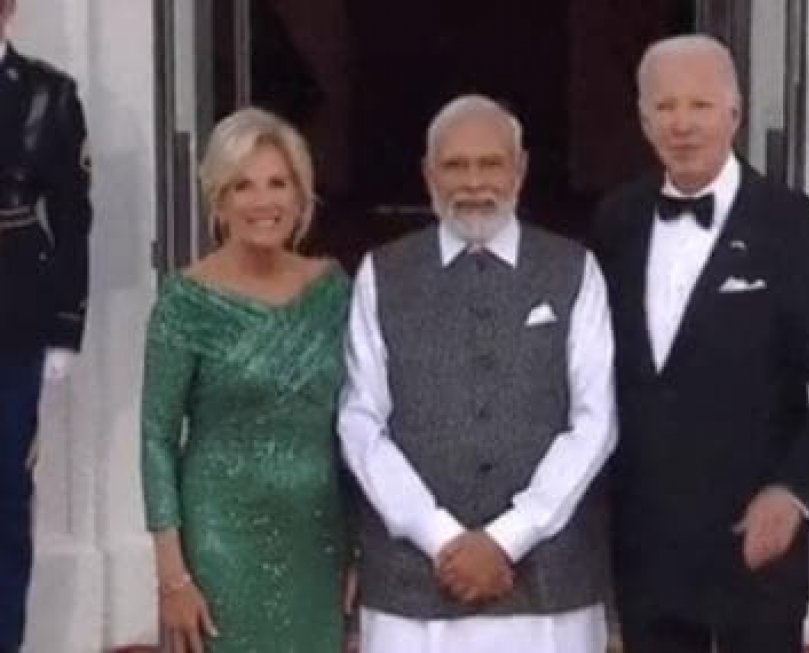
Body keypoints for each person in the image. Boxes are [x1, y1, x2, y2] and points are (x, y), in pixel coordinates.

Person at [592, 35, 809, 653]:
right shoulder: (616, 221)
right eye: (665, 108)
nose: (683, 124)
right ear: (642, 119)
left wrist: (796, 493)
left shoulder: (797, 227)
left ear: (735, 114)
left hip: (755, 542)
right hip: (648, 547)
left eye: (701, 105)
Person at [339, 94, 617, 653]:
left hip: (548, 584)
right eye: (455, 165)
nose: (472, 181)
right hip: (412, 587)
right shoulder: (382, 272)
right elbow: (361, 419)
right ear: (427, 174)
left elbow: (595, 421)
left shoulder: (573, 267)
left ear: (520, 170)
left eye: (489, 163)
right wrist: (439, 536)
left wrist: (509, 538)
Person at [140, 108, 350, 653]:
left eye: (278, 183)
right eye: (244, 186)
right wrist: (172, 576)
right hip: (220, 540)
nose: (264, 202)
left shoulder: (333, 291)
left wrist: (362, 548)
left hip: (319, 538)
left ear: (301, 195)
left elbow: (359, 424)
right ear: (220, 200)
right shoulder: (185, 301)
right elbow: (157, 439)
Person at [0, 0, 92, 649]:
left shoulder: (47, 94)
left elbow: (72, 217)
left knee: (4, 499)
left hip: (14, 318)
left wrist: (65, 326)